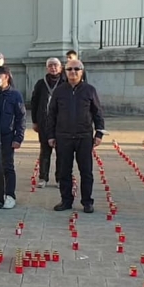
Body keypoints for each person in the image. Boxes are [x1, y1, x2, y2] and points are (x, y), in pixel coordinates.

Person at [46, 59, 106, 213]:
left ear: (82, 71)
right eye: (69, 69)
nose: (73, 72)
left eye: (76, 69)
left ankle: (87, 201)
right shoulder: (59, 91)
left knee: (86, 171)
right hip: (63, 137)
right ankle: (66, 201)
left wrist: (99, 133)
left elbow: (98, 113)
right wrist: (51, 135)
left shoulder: (89, 90)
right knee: (64, 171)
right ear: (65, 71)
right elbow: (51, 114)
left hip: (84, 137)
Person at [0, 66, 25, 209]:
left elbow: (21, 117)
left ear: (6, 77)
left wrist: (18, 137)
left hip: (7, 136)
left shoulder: (15, 95)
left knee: (7, 166)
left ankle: (10, 194)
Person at [30, 57, 63, 188]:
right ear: (47, 68)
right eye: (50, 66)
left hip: (61, 123)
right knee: (45, 151)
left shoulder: (65, 82)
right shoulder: (41, 83)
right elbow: (34, 102)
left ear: (60, 68)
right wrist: (35, 121)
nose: (53, 68)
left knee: (61, 152)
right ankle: (43, 178)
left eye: (55, 65)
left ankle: (60, 178)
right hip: (44, 122)